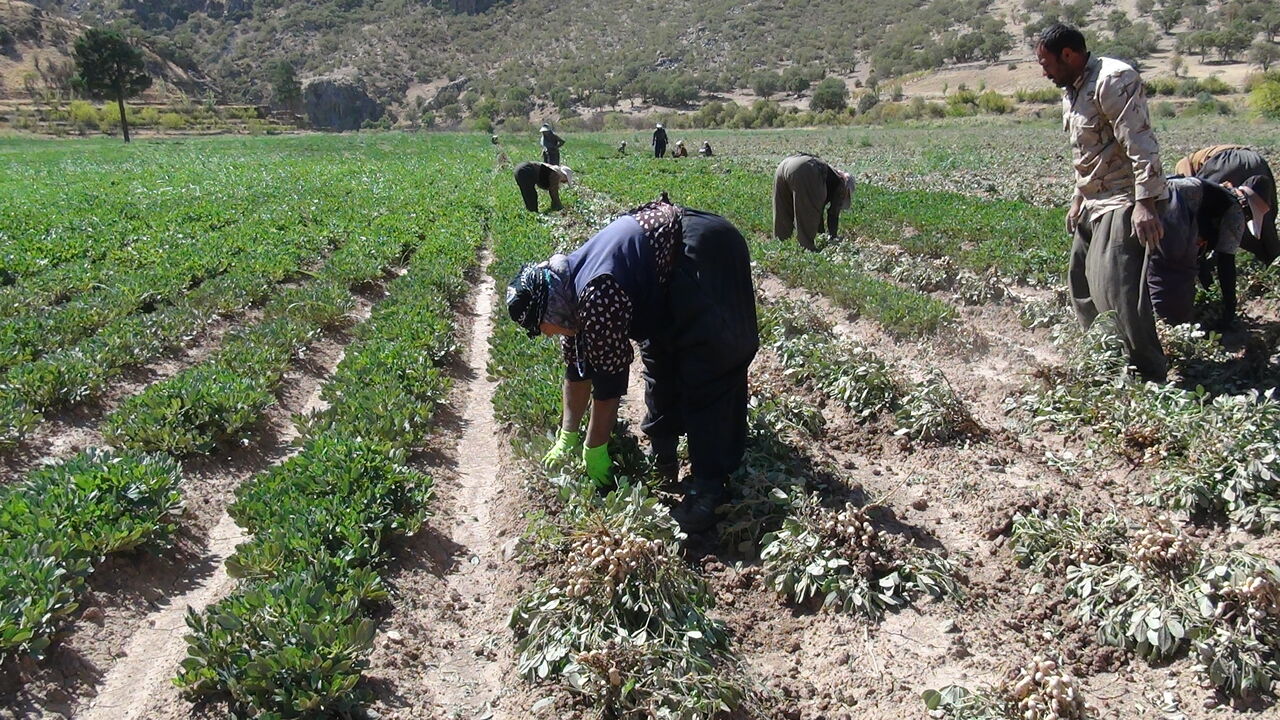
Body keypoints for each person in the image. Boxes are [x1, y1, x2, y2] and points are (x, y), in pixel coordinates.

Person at [505, 195, 759, 533]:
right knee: (659, 358)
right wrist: (567, 434)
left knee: (709, 365)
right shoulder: (565, 291)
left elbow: (609, 384)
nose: (545, 334)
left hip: (704, 252)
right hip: (666, 269)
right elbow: (578, 369)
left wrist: (594, 448)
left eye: (540, 329)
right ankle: (663, 454)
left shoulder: (595, 293)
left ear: (546, 312)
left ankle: (709, 487)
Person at [1036, 23, 1168, 382]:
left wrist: (1145, 204)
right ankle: (1106, 360)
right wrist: (1078, 197)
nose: (1043, 71)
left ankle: (1148, 376)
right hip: (1094, 200)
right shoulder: (1072, 89)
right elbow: (1089, 151)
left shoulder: (1114, 79)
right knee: (1080, 281)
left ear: (1068, 55)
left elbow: (1141, 145)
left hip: (1124, 199)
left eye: (1046, 62)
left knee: (1120, 293)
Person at [1146, 176, 1248, 326]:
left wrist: (1209, 289)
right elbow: (1226, 261)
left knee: (1151, 261)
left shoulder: (1216, 197)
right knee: (1175, 269)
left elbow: (1200, 256)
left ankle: (1155, 317)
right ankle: (1169, 322)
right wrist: (1230, 307)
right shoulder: (1235, 210)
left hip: (1155, 191)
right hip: (1172, 200)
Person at [1175, 145, 1278, 264]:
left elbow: (1192, 197)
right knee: (1260, 213)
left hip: (1226, 161)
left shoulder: (1183, 164)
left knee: (1214, 212)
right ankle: (1272, 255)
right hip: (1256, 160)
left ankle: (1207, 258)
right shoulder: (1202, 156)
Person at [772, 154, 855, 251]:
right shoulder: (842, 183)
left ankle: (780, 249)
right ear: (847, 189)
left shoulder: (829, 176)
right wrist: (833, 238)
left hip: (784, 165)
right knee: (807, 216)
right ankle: (806, 250)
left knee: (782, 212)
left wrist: (821, 234)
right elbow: (833, 214)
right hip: (806, 169)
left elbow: (818, 212)